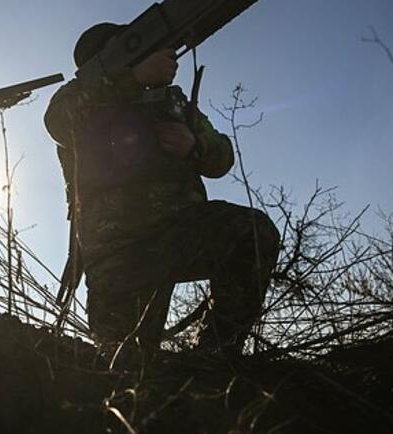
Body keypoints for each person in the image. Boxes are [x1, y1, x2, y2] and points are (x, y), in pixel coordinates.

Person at [45, 23, 280, 357]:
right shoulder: (80, 98)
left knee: (252, 233)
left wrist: (195, 146)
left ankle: (215, 357)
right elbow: (57, 121)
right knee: (124, 360)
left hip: (177, 233)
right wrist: (133, 77)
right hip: (117, 252)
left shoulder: (171, 102)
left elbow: (223, 157)